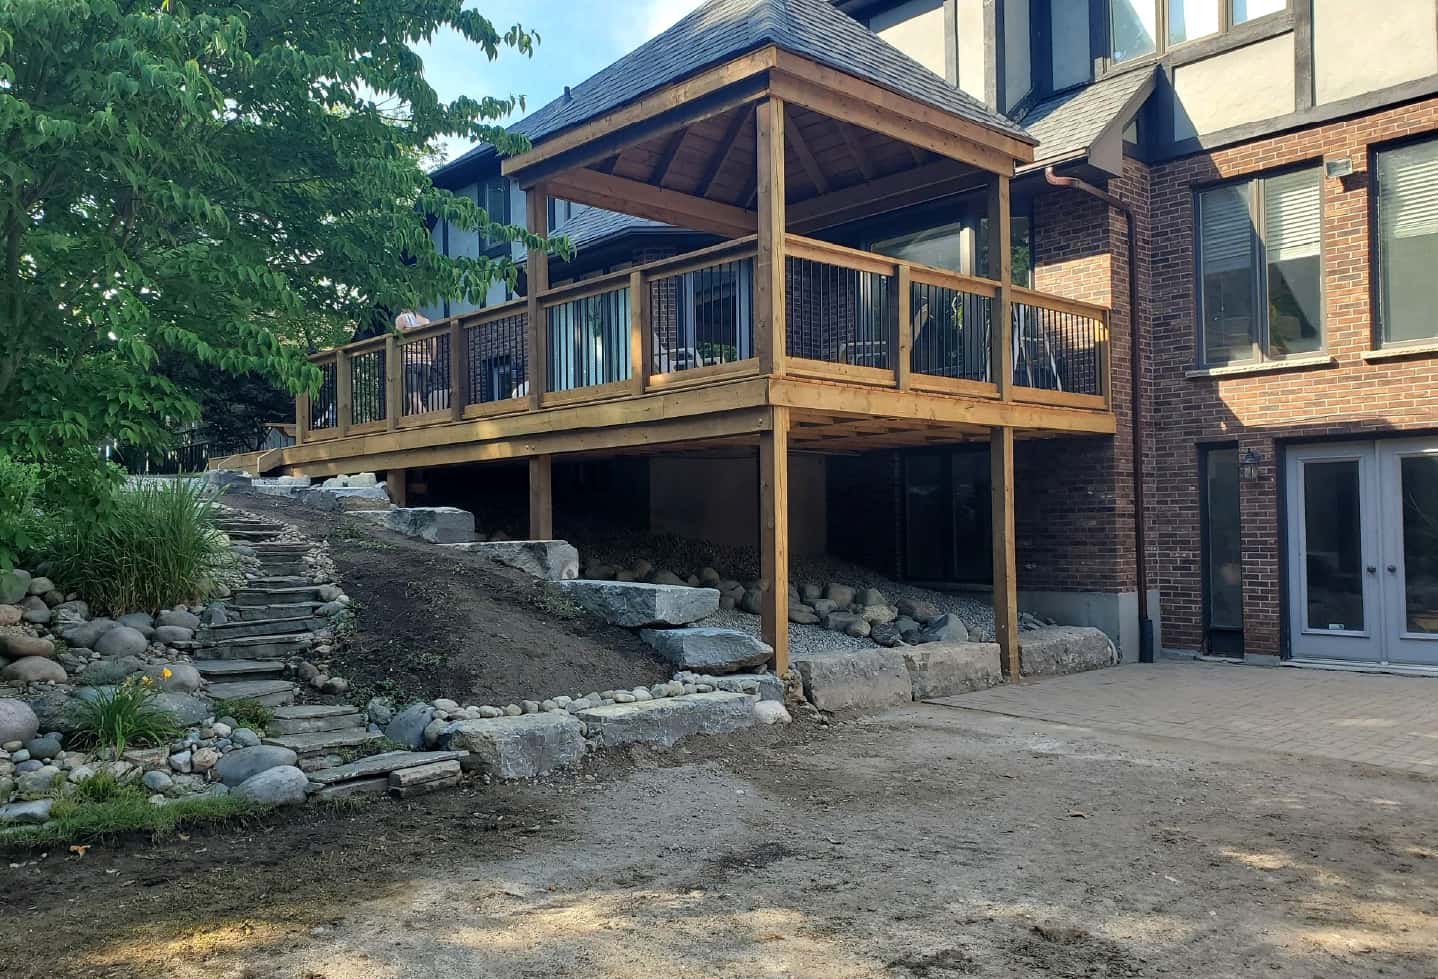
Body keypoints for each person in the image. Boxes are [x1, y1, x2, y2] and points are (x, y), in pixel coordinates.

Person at [394, 309, 437, 414]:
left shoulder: (402, 319)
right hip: (426, 363)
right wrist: (431, 359)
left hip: (410, 362)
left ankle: (429, 420)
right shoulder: (425, 321)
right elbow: (433, 343)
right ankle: (409, 427)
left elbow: (396, 340)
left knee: (414, 399)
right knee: (416, 400)